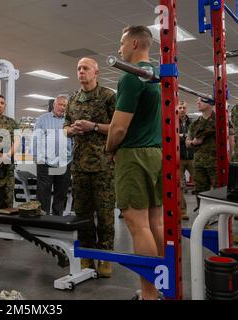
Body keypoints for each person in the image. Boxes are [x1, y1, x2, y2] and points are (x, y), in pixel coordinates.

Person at [106, 25, 163, 300]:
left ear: (136, 44)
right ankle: (162, 285)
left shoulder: (131, 77)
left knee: (138, 226)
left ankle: (148, 294)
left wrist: (109, 150)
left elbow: (118, 129)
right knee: (156, 224)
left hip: (134, 155)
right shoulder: (158, 77)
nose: (119, 49)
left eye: (122, 43)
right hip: (155, 153)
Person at [64, 57, 116, 277]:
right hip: (79, 165)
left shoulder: (108, 96)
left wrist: (93, 126)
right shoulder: (73, 99)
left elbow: (118, 128)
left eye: (85, 68)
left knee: (104, 213)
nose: (81, 72)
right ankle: (86, 254)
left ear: (96, 72)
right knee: (82, 213)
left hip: (103, 164)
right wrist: (71, 130)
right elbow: (65, 126)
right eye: (78, 69)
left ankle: (105, 256)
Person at [186, 97, 234, 214]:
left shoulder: (221, 120)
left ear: (211, 103)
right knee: (200, 191)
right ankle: (203, 219)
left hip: (217, 162)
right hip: (199, 163)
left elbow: (231, 139)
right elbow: (187, 142)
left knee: (220, 191)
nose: (197, 102)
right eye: (196, 100)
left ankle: (222, 222)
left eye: (201, 100)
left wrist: (229, 157)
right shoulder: (195, 124)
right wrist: (193, 142)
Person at [34, 95, 73, 216]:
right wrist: (37, 157)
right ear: (54, 105)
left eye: (65, 105)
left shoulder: (70, 121)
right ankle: (42, 221)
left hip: (64, 162)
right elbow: (36, 139)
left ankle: (57, 220)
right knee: (43, 193)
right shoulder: (42, 119)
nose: (63, 107)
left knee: (61, 193)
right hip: (45, 162)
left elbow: (74, 141)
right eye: (60, 104)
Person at [0, 94, 19, 211]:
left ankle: (7, 225)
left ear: (5, 106)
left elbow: (16, 142)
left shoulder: (11, 123)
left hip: (7, 166)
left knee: (7, 196)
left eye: (2, 103)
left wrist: (7, 155)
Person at [178, 100, 194, 220]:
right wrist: (186, 136)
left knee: (200, 184)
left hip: (192, 157)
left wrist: (182, 136)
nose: (182, 109)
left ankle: (203, 212)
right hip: (179, 158)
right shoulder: (173, 121)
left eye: (184, 107)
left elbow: (194, 136)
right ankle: (183, 211)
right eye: (180, 107)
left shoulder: (192, 122)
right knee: (179, 186)